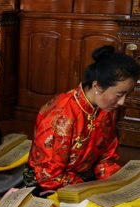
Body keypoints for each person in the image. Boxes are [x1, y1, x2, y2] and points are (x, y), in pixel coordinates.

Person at [25, 45, 140, 192]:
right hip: (49, 182)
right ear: (97, 86)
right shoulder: (61, 115)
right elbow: (49, 175)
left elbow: (106, 159)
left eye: (127, 95)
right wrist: (90, 188)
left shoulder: (107, 108)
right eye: (119, 95)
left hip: (85, 179)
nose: (122, 102)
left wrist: (115, 184)